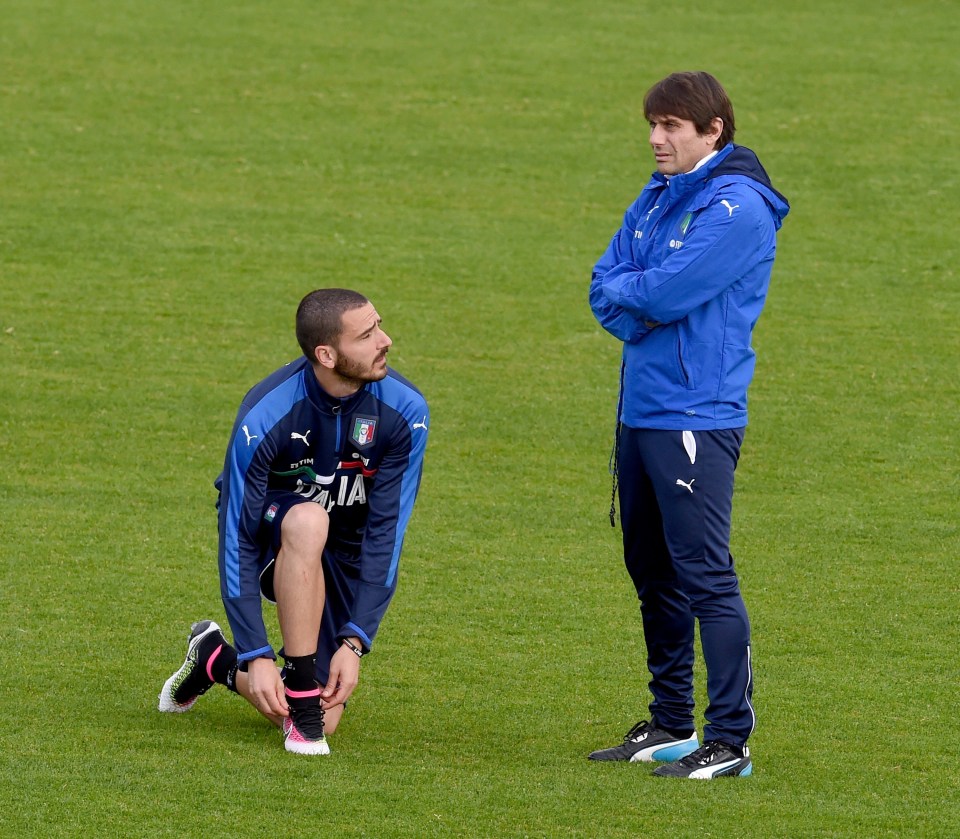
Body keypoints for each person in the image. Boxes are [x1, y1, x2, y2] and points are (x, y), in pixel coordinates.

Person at [587, 72, 789, 778]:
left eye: (672, 126)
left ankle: (729, 739)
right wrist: (637, 297)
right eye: (652, 123)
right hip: (641, 410)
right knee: (652, 569)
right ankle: (671, 721)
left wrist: (639, 296)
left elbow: (665, 292)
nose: (655, 138)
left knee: (705, 575)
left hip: (694, 416)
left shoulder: (737, 210)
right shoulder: (658, 195)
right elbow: (603, 284)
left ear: (714, 131)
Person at [158, 288, 429, 756]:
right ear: (326, 354)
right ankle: (302, 706)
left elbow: (387, 531)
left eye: (379, 325)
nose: (385, 340)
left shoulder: (405, 412)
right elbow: (236, 537)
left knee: (331, 714)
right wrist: (257, 650)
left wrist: (356, 640)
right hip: (273, 531)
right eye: (367, 335)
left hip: (343, 549)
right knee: (308, 519)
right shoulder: (264, 414)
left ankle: (214, 661)